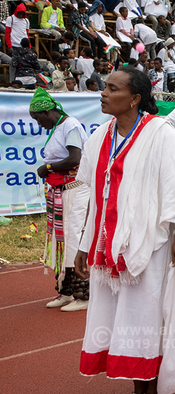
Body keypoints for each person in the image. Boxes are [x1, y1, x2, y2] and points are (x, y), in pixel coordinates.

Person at [74, 68, 175, 394]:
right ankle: (139, 385)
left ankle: (148, 387)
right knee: (117, 320)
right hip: (107, 249)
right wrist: (85, 244)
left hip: (149, 247)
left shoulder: (160, 134)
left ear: (134, 99)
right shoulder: (98, 137)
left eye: (112, 88)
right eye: (105, 87)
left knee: (145, 320)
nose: (103, 93)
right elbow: (95, 197)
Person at [29, 88, 91, 312]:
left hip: (75, 190)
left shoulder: (70, 125)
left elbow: (74, 158)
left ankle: (83, 294)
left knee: (73, 238)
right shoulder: (57, 127)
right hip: (60, 191)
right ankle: (66, 291)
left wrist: (48, 167)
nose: (39, 123)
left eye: (38, 118)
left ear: (47, 112)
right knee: (59, 239)